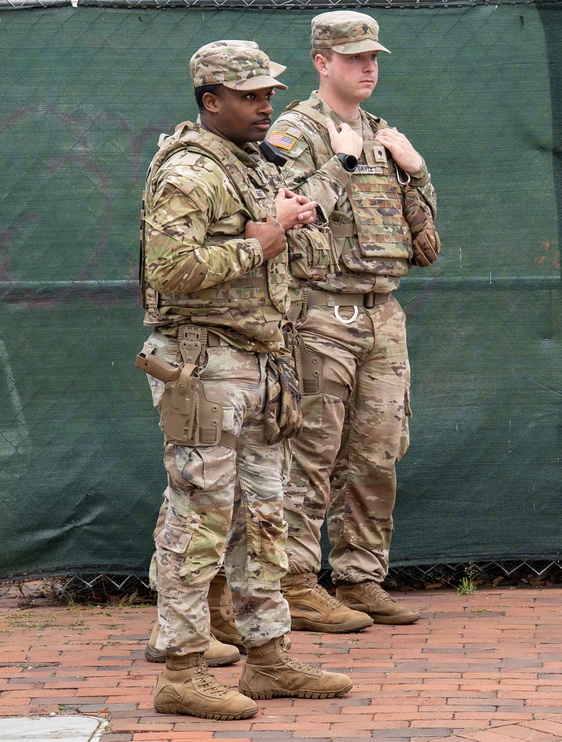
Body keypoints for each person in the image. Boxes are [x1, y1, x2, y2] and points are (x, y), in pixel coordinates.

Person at [138, 39, 353, 720]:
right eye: (250, 96)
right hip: (204, 366)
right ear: (210, 101)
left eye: (269, 95)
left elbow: (308, 256)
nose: (266, 107)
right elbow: (168, 271)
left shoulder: (254, 165)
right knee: (198, 519)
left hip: (263, 362)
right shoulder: (189, 172)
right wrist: (263, 239)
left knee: (264, 515)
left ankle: (267, 659)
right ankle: (181, 669)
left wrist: (296, 221)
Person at [265, 11, 437, 631]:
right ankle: (297, 583)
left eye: (373, 57)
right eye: (354, 57)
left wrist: (415, 170)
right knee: (311, 451)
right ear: (321, 61)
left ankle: (362, 578)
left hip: (382, 314)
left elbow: (426, 244)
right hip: (321, 314)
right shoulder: (294, 132)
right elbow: (285, 217)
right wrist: (338, 162)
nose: (368, 67)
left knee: (377, 452)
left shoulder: (383, 132)